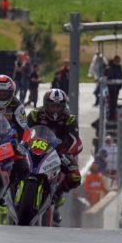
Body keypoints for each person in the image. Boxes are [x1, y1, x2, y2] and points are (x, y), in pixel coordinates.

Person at [27, 88, 83, 223]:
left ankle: (57, 195)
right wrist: (21, 143)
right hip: (35, 147)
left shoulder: (69, 118)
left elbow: (74, 139)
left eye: (58, 106)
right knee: (13, 162)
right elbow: (24, 131)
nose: (55, 109)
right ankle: (8, 191)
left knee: (75, 176)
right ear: (46, 104)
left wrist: (68, 153)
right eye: (52, 106)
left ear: (63, 106)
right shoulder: (35, 114)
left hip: (58, 151)